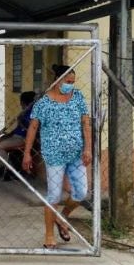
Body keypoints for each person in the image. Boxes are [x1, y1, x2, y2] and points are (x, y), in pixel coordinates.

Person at [23, 65, 91, 249]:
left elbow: (85, 123)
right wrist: (27, 153)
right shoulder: (43, 103)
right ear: (57, 81)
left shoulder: (77, 97)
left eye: (72, 82)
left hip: (76, 154)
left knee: (81, 192)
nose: (70, 85)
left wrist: (87, 148)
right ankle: (49, 235)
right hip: (54, 156)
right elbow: (33, 127)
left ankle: (63, 216)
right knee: (54, 194)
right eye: (68, 82)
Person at [0, 91, 36, 181]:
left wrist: (20, 121)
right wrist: (7, 134)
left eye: (20, 101)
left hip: (23, 138)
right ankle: (5, 166)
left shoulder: (31, 112)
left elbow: (29, 129)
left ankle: (10, 169)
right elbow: (17, 129)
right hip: (16, 136)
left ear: (23, 102)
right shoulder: (25, 112)